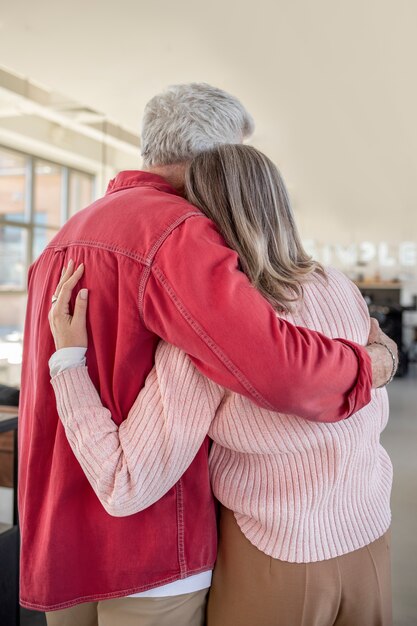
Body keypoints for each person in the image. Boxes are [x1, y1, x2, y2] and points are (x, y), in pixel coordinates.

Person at [19, 84, 395, 626]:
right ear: (212, 161)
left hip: (61, 524)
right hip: (150, 542)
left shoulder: (67, 233)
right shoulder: (182, 234)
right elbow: (281, 370)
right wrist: (375, 364)